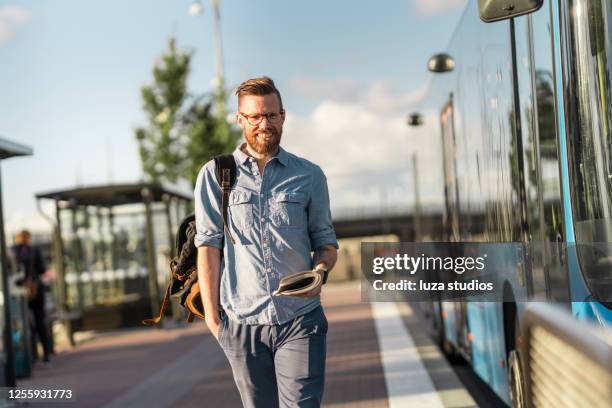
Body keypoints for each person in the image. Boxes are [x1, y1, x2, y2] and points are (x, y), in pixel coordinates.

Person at [194, 76, 338, 408]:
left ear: (283, 115)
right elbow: (209, 249)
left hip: (300, 318)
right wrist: (215, 321)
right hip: (242, 324)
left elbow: (326, 243)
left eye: (271, 115)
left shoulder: (309, 175)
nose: (265, 124)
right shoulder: (215, 175)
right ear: (240, 119)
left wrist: (320, 272)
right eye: (255, 116)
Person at [12, 230, 52, 365]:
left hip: (18, 290)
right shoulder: (34, 250)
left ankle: (32, 355)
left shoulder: (12, 251)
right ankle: (46, 354)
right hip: (35, 289)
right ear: (28, 238)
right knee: (40, 320)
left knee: (24, 323)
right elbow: (42, 269)